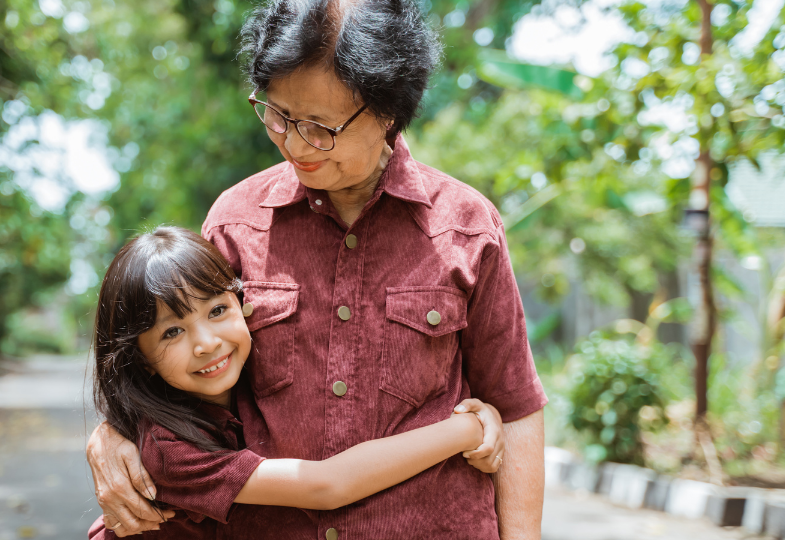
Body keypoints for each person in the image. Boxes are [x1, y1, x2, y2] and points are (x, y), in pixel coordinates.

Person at [88, 0, 548, 538]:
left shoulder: (466, 227)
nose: (294, 143)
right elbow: (181, 375)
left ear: (389, 111)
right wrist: (115, 433)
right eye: (279, 115)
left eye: (320, 126)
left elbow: (515, 405)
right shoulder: (235, 222)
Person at [86, 226, 498, 539]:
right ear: (141, 360)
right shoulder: (167, 449)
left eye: (217, 311)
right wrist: (465, 429)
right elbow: (327, 486)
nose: (206, 343)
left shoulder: (247, 381)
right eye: (172, 332)